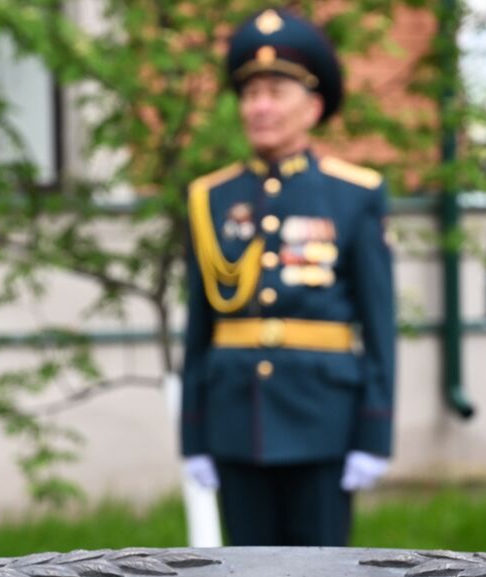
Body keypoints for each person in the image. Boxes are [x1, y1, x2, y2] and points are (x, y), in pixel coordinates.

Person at [179, 7, 396, 547]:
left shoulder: (354, 196)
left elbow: (380, 328)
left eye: (276, 92)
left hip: (323, 421)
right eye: (250, 94)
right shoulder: (211, 198)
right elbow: (197, 332)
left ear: (314, 106)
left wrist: (375, 432)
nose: (260, 107)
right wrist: (195, 433)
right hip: (234, 421)